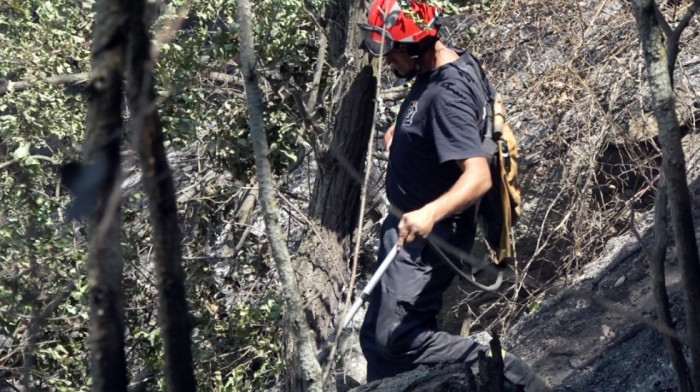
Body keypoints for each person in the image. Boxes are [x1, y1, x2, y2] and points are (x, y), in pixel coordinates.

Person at [357, 1, 549, 390]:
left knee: (397, 340)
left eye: (391, 49)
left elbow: (478, 178)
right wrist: (408, 132)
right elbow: (445, 123)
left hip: (427, 234)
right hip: (409, 226)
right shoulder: (450, 63)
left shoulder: (447, 94)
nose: (387, 59)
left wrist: (428, 214)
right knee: (375, 341)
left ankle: (511, 376)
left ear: (414, 46)